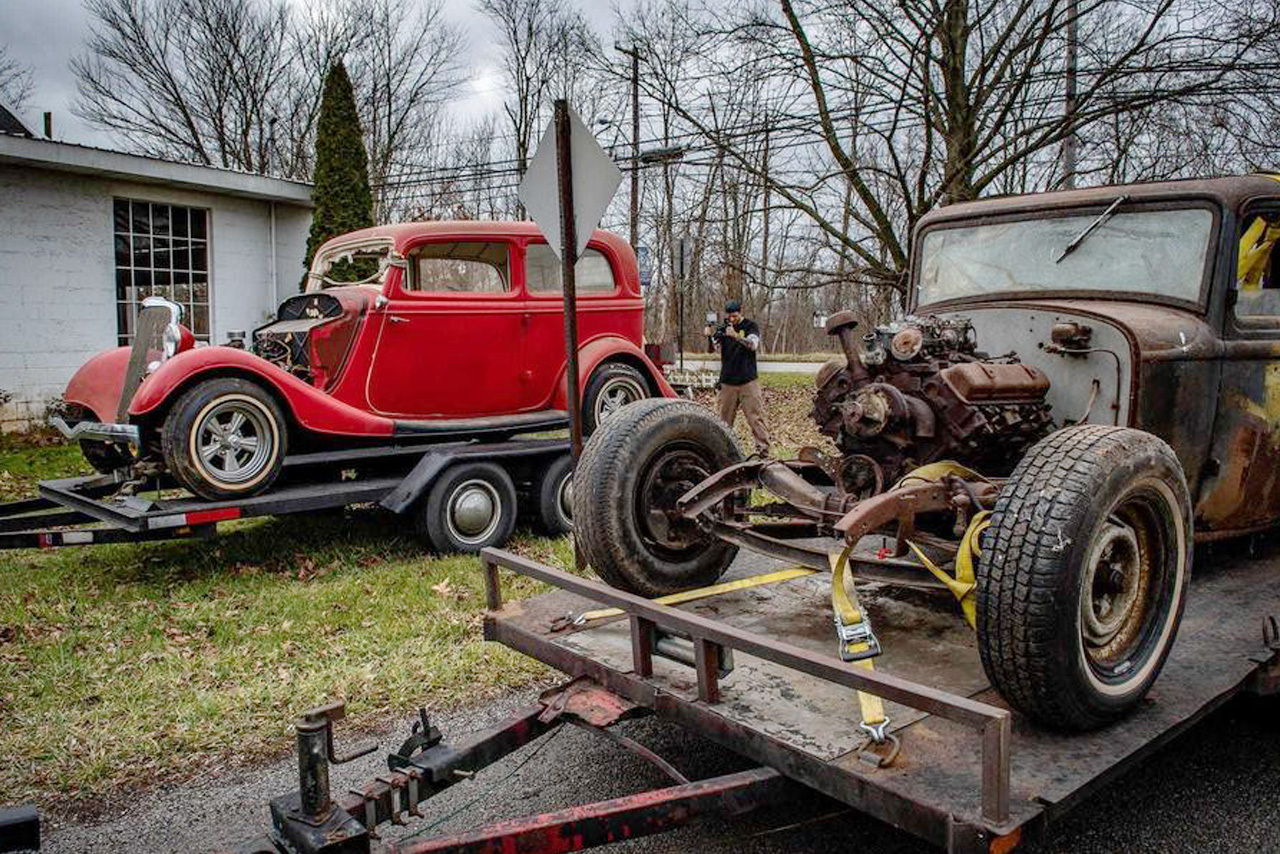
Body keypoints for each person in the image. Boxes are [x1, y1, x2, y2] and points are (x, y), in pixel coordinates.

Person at [706, 299, 771, 457]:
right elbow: (712, 350)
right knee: (723, 420)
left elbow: (753, 345)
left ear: (740, 312)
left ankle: (763, 451)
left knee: (755, 417)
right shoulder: (723, 329)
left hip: (748, 380)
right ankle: (722, 452)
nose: (732, 319)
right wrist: (709, 336)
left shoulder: (750, 326)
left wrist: (736, 336)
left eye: (734, 316)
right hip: (728, 381)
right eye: (729, 316)